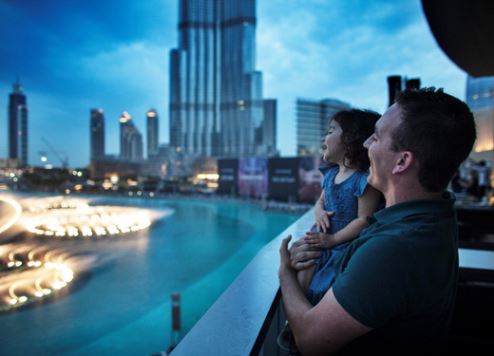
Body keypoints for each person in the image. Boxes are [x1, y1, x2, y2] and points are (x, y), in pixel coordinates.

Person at [279, 88, 476, 355]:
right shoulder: (436, 212)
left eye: (377, 136)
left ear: (402, 161)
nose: (365, 144)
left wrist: (285, 273)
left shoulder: (394, 249)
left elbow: (310, 340)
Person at [298, 109, 382, 304]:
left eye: (330, 131)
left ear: (349, 139)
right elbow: (321, 200)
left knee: (327, 285)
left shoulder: (363, 179)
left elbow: (364, 220)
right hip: (321, 239)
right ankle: (299, 311)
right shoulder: (330, 174)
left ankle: (314, 317)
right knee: (305, 267)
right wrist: (319, 211)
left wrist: (333, 239)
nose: (323, 137)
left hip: (343, 244)